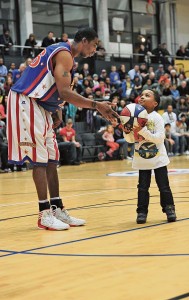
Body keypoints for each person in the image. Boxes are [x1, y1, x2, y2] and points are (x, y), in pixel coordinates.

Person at [7, 27, 119, 231]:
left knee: (52, 156)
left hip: (41, 104)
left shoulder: (65, 55)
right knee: (39, 158)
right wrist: (97, 105)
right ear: (84, 41)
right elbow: (65, 92)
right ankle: (44, 214)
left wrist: (57, 108)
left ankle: (57, 208)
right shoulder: (65, 54)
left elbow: (55, 88)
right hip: (26, 100)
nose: (95, 49)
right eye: (94, 45)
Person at [123, 89, 176, 224]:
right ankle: (141, 212)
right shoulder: (133, 117)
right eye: (141, 95)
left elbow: (159, 139)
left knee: (164, 186)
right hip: (142, 159)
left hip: (158, 158)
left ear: (155, 103)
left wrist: (143, 131)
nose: (142, 97)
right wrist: (126, 131)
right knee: (142, 187)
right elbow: (130, 140)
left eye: (147, 95)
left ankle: (169, 209)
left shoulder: (157, 117)